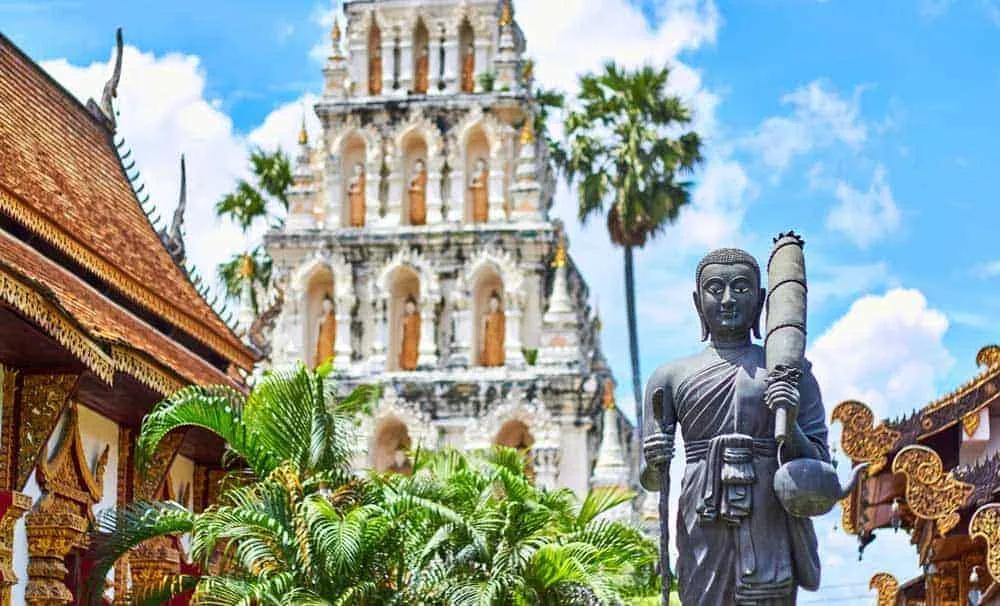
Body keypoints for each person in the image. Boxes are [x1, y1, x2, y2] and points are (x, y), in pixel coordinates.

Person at [641, 248, 829, 605]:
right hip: (702, 516)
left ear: (760, 301)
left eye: (741, 289)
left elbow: (820, 467)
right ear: (698, 302)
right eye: (715, 288)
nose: (727, 300)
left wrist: (788, 424)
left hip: (769, 516)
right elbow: (651, 480)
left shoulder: (791, 373)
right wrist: (655, 460)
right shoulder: (669, 377)